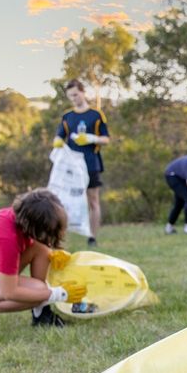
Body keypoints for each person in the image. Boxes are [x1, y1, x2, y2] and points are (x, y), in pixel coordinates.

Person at [0, 188, 88, 333]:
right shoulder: (6, 239)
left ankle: (41, 314)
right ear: (35, 226)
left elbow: (37, 244)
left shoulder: (22, 216)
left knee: (42, 249)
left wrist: (52, 253)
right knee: (39, 291)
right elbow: (10, 292)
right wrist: (57, 294)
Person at [53, 79, 110, 247]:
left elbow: (106, 139)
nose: (74, 99)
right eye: (70, 96)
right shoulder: (67, 117)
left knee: (93, 200)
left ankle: (92, 237)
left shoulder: (96, 115)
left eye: (76, 95)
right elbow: (59, 135)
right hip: (71, 166)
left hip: (91, 163)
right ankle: (61, 235)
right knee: (65, 200)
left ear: (83, 92)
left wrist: (91, 138)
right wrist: (57, 141)